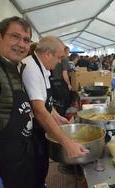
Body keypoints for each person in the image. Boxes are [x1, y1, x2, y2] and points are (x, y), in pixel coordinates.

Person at [21, 36, 88, 188]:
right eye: (58, 57)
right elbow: (39, 110)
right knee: (35, 168)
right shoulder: (30, 68)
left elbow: (46, 102)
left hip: (39, 129)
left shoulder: (43, 67)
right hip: (31, 130)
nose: (59, 62)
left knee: (41, 163)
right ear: (47, 54)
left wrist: (57, 117)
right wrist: (67, 143)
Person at [0, 16, 35, 188]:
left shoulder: (14, 66)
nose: (21, 44)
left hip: (18, 161)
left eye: (26, 40)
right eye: (15, 36)